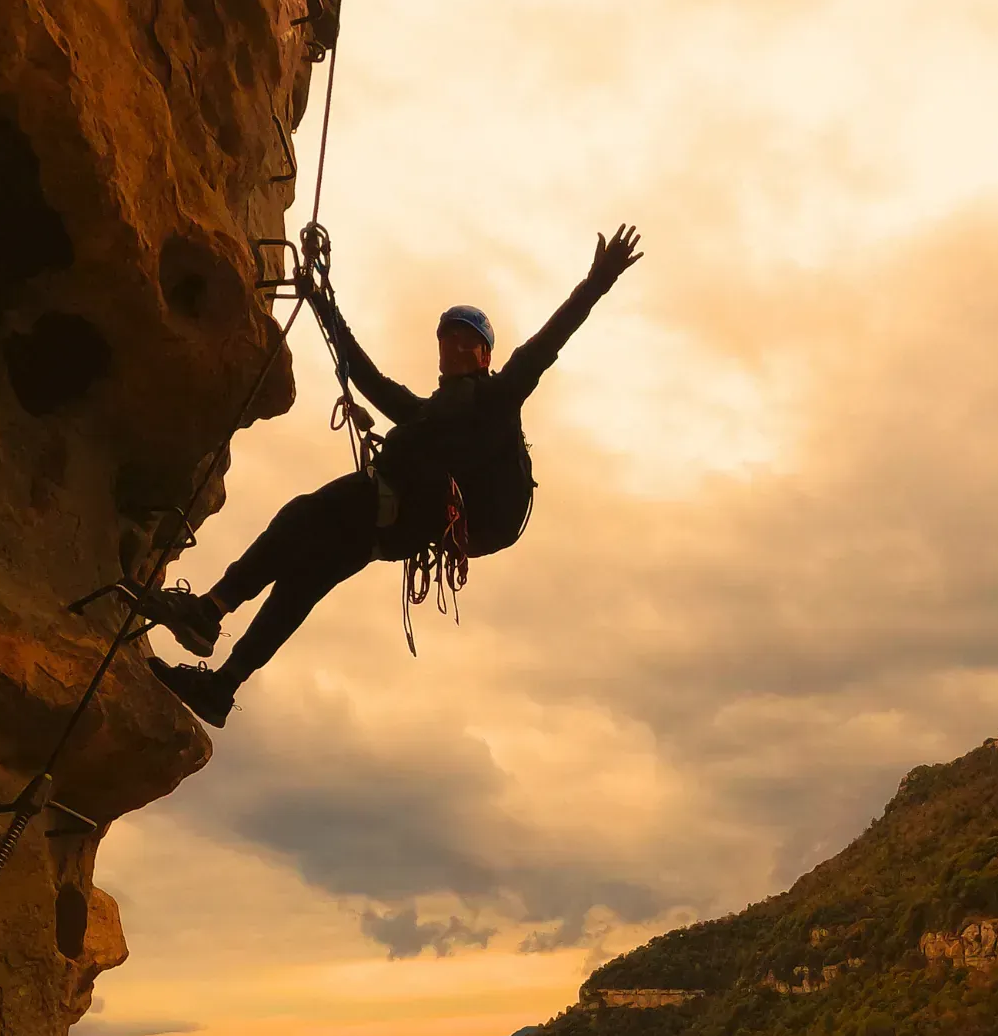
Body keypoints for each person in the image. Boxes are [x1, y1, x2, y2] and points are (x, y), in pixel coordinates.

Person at [143, 224, 642, 726]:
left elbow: (547, 343)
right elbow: (368, 378)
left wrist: (597, 280)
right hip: (387, 530)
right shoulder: (425, 412)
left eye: (468, 342)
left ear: (486, 355)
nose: (456, 347)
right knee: (300, 582)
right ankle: (221, 687)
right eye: (449, 339)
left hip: (393, 511)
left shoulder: (497, 398)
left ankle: (211, 609)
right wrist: (322, 301)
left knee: (302, 513)